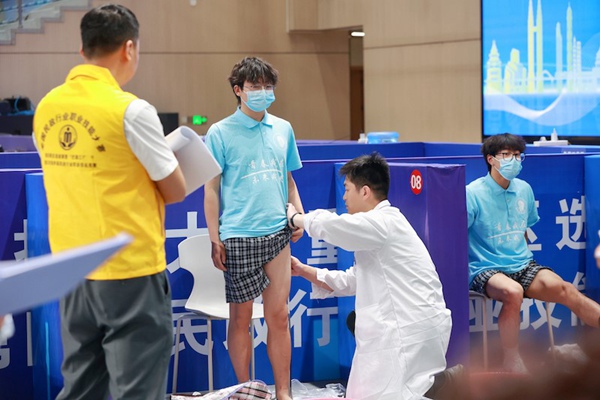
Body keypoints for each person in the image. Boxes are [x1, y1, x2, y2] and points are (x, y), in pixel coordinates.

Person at [33, 4, 186, 399]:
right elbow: (175, 190)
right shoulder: (130, 110)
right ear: (129, 48)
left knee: (82, 386)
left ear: (82, 49)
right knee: (137, 389)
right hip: (128, 269)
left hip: (71, 268)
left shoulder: (46, 107)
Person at [287, 152, 452, 400]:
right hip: (410, 327)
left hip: (405, 331)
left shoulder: (381, 222)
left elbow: (334, 226)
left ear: (365, 191)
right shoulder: (382, 226)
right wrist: (303, 270)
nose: (344, 197)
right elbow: (352, 281)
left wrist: (296, 218)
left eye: (347, 189)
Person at [203, 56, 304, 400]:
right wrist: (215, 238)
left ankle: (283, 392)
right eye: (254, 86)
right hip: (238, 235)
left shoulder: (283, 129)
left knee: (279, 316)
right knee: (241, 318)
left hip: (278, 233)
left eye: (267, 86)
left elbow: (287, 178)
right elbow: (211, 189)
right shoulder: (219, 132)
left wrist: (299, 214)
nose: (263, 92)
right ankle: (244, 390)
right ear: (238, 90)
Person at [467, 133, 600, 374]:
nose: (513, 160)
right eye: (506, 155)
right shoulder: (472, 193)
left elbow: (524, 230)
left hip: (522, 264)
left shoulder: (524, 189)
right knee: (513, 292)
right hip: (485, 267)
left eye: (517, 155)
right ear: (490, 159)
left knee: (566, 289)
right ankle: (512, 359)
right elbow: (458, 234)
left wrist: (523, 258)